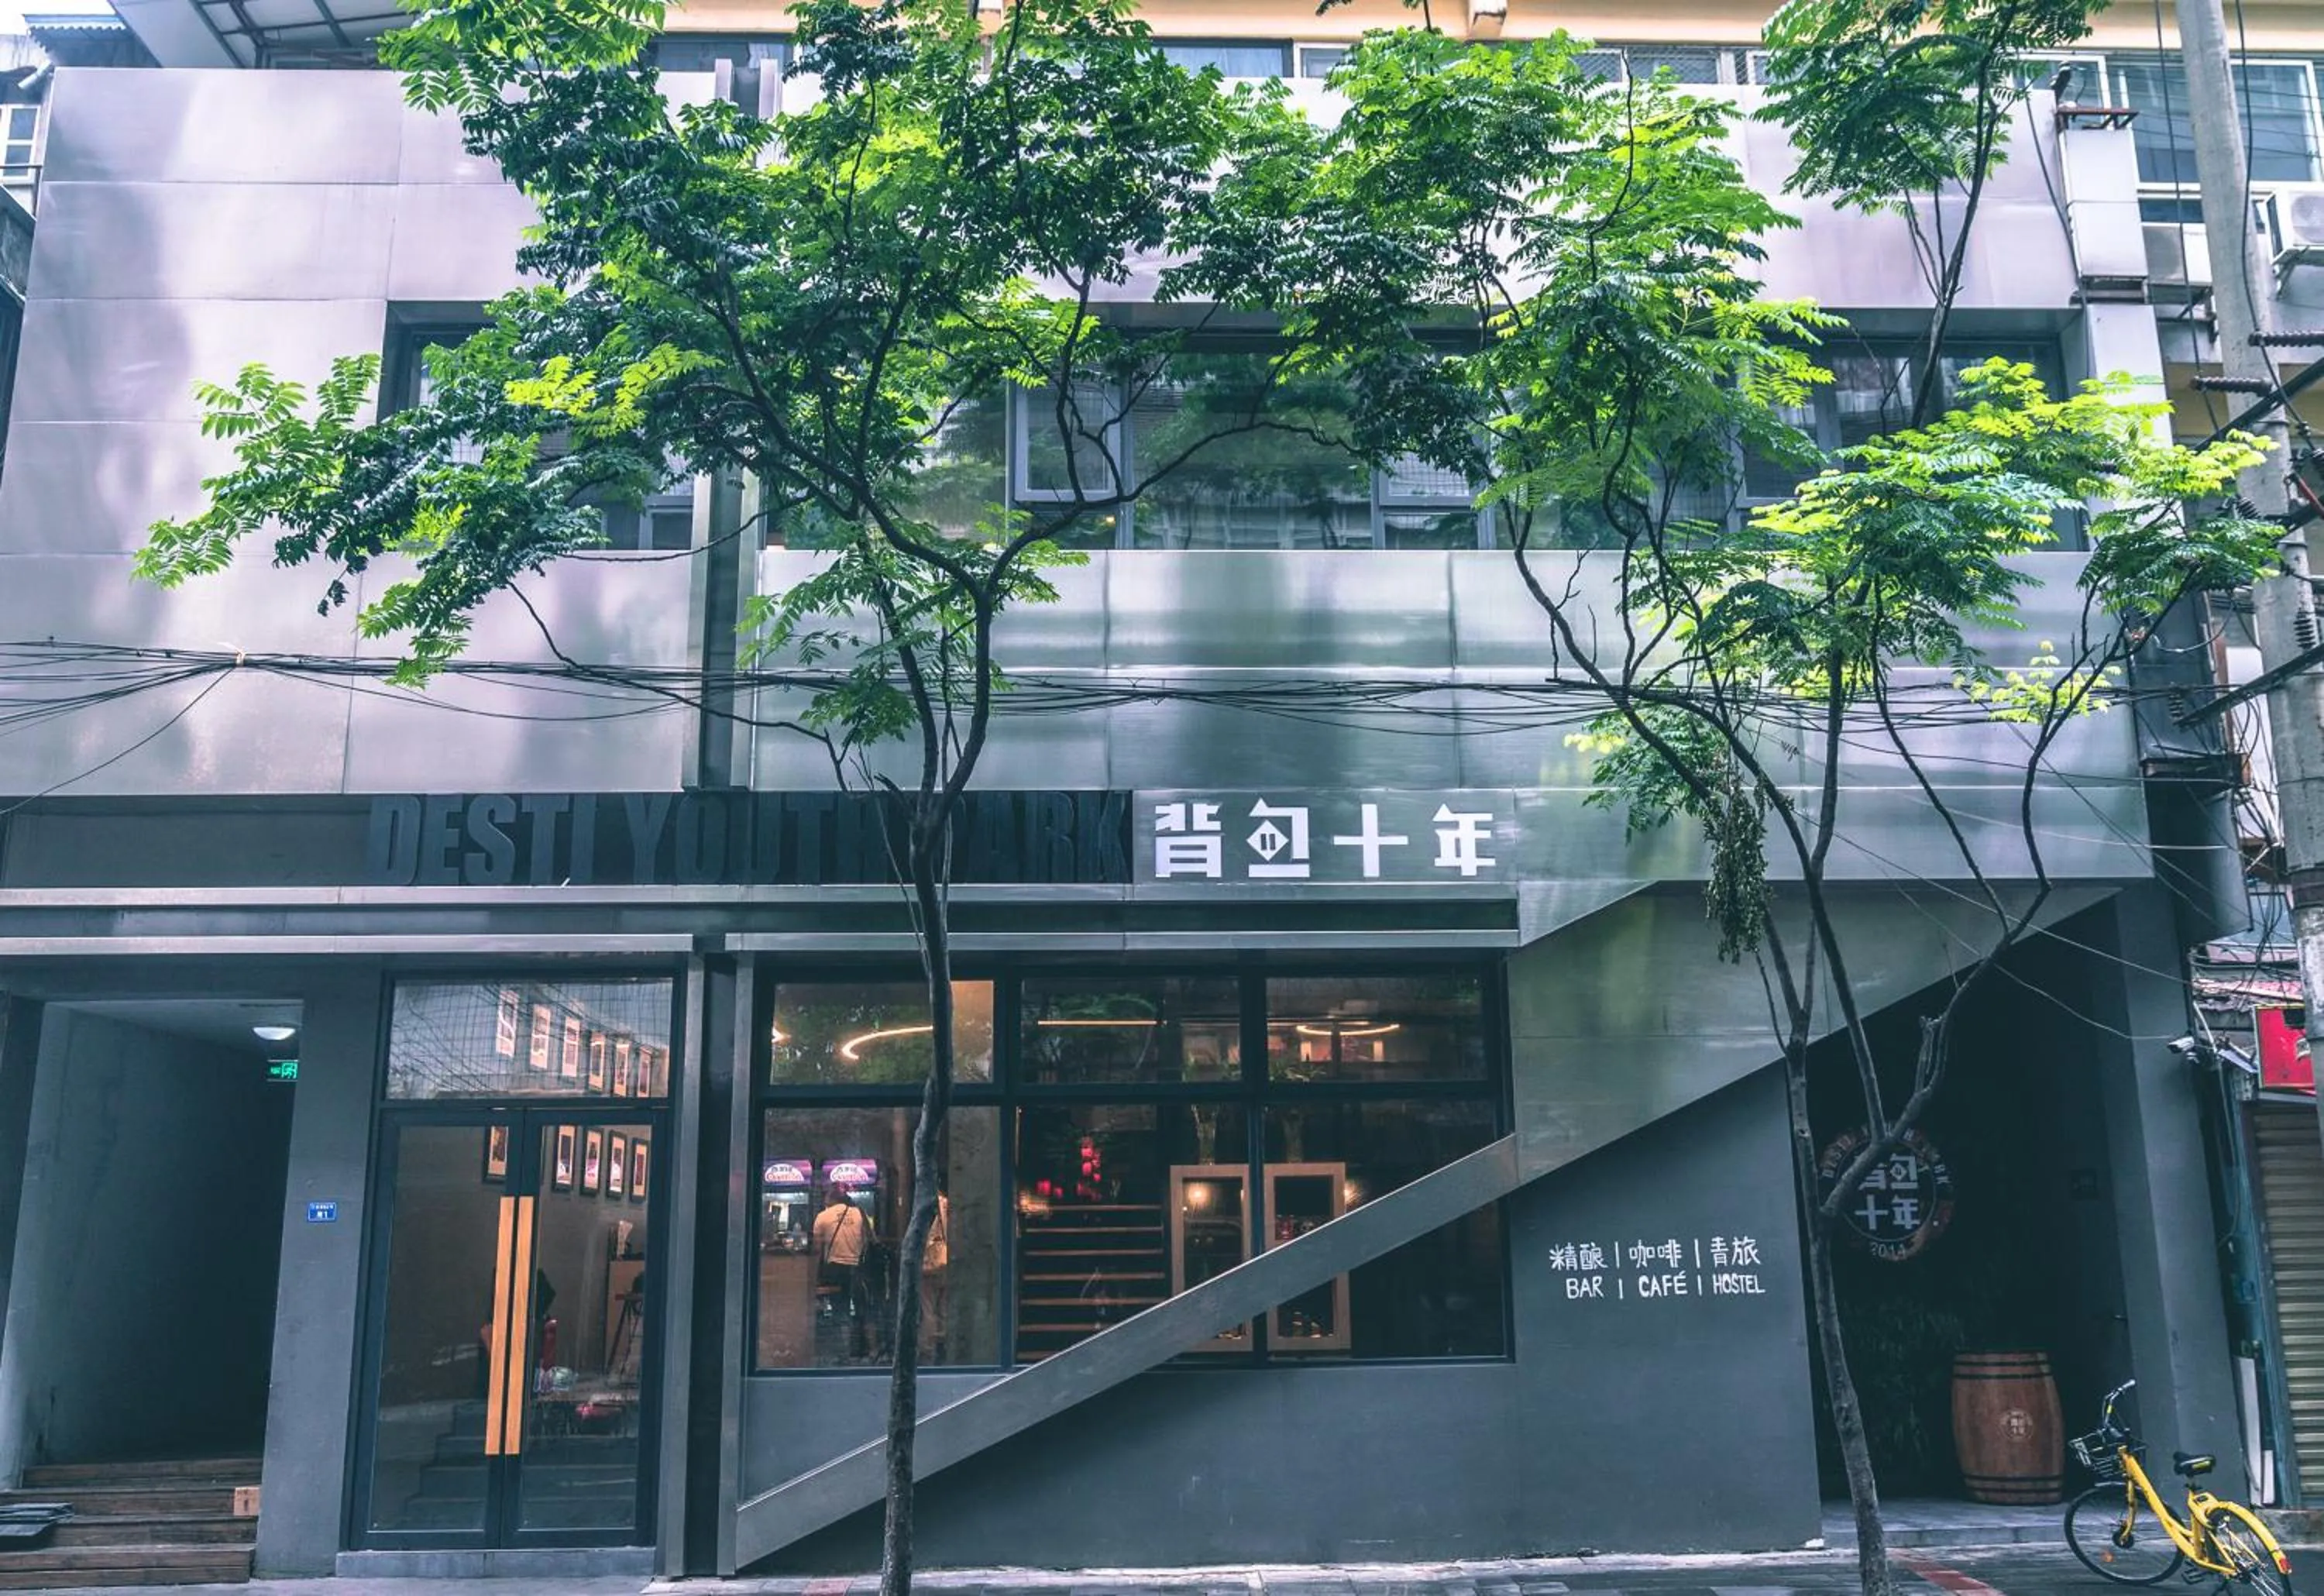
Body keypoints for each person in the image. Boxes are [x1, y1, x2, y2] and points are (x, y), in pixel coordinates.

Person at [812, 1190, 875, 1360]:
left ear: (830, 1199)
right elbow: (869, 1240)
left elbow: (817, 1250)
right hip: (858, 1267)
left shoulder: (823, 1217)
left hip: (835, 1269)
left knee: (841, 1310)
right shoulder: (860, 1214)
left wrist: (815, 1276)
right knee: (862, 1308)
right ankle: (865, 1349)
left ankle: (844, 1351)